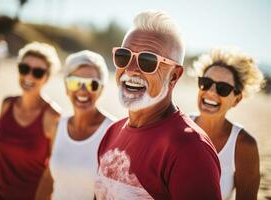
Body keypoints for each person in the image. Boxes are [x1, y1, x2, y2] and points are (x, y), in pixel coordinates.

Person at [95, 10, 222, 200]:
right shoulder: (112, 132)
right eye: (123, 56)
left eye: (148, 61)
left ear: (174, 76)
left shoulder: (191, 149)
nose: (130, 70)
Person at [0, 42, 61, 200]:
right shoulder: (7, 104)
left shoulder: (52, 116)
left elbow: (54, 171)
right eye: (24, 69)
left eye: (38, 72)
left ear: (47, 77)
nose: (28, 76)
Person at [35, 50, 115, 200]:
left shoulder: (113, 132)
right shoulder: (58, 126)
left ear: (101, 89)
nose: (82, 90)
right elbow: (48, 177)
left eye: (92, 84)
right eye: (75, 82)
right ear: (66, 87)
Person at [191, 47, 264, 200]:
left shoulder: (244, 146)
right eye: (205, 82)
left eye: (223, 88)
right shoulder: (175, 128)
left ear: (236, 99)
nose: (211, 92)